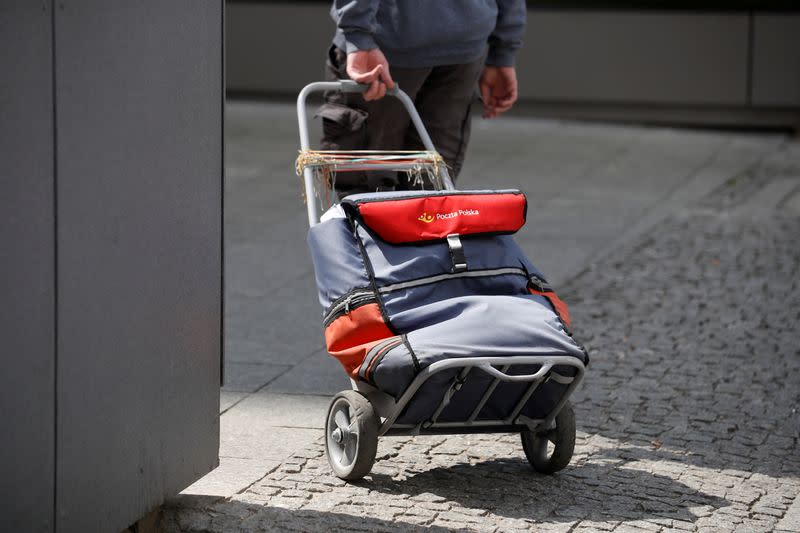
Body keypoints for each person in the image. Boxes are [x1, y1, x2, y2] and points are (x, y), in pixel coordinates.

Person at [319, 0, 526, 197]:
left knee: (365, 191)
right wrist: (503, 51)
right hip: (463, 43)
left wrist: (359, 36)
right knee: (431, 192)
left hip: (387, 40)